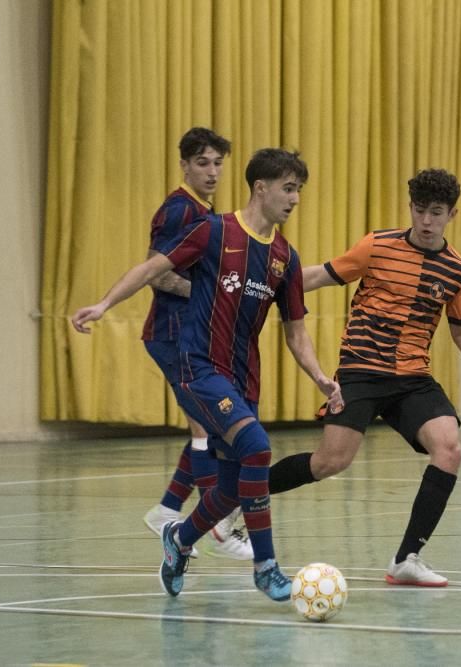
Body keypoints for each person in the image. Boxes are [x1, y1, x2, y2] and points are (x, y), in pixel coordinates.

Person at [72, 148, 342, 601]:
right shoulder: (214, 231)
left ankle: (178, 540)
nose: (295, 199)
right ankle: (266, 566)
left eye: (299, 190)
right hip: (197, 367)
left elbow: (296, 333)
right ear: (262, 187)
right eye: (289, 188)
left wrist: (319, 377)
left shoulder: (284, 258)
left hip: (243, 379)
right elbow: (151, 269)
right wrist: (103, 304)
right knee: (257, 447)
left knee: (234, 488)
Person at [268, 168, 461, 587]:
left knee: (449, 449)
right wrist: (265, 284)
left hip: (412, 378)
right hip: (362, 370)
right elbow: (320, 275)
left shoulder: (457, 271)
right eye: (420, 210)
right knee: (330, 462)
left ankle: (406, 558)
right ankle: (239, 496)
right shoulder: (377, 246)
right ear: (410, 208)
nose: (427, 220)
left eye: (436, 212)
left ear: (452, 213)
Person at [139, 127, 251, 561]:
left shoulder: (205, 210)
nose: (212, 171)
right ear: (184, 164)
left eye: (218, 163)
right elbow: (159, 272)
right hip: (172, 333)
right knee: (211, 424)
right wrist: (214, 295)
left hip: (194, 335)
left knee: (211, 423)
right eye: (202, 162)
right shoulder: (178, 211)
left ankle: (168, 510)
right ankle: (218, 523)